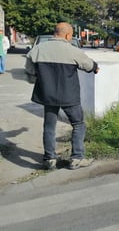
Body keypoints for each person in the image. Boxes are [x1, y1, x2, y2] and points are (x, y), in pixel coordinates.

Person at [25, 22, 100, 170]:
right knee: (78, 124)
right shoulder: (72, 51)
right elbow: (89, 65)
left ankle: (49, 159)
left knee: (49, 126)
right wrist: (96, 68)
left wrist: (37, 79)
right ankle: (77, 158)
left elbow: (29, 71)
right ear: (67, 35)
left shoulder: (38, 49)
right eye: (71, 35)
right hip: (69, 96)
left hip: (48, 96)